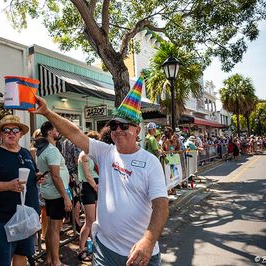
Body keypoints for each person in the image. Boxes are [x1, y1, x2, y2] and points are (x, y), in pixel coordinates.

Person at [31, 75, 169, 266]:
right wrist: (47, 112)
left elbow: (161, 206)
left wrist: (148, 240)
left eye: (124, 125)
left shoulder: (150, 162)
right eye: (114, 125)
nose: (118, 130)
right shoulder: (105, 152)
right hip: (105, 250)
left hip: (140, 253)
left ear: (137, 130)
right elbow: (74, 133)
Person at [0, 115, 42, 266]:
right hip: (3, 220)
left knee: (21, 257)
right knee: (3, 262)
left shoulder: (26, 153)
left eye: (15, 130)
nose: (11, 133)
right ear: (1, 134)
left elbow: (33, 173)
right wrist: (8, 185)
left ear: (20, 134)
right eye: (6, 130)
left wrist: (37, 177)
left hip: (26, 217)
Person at [36, 121, 72, 266]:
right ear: (50, 132)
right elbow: (56, 176)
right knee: (55, 229)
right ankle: (56, 262)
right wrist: (66, 197)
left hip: (49, 193)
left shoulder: (44, 149)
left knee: (51, 228)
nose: (59, 132)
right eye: (57, 129)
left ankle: (50, 259)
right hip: (56, 194)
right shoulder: (51, 150)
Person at [77, 131, 100, 262]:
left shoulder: (92, 155)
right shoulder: (84, 155)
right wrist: (96, 188)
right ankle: (81, 250)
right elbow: (87, 175)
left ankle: (92, 247)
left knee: (95, 220)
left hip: (95, 186)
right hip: (88, 187)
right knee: (89, 220)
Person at [30, 129, 48, 240]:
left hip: (47, 180)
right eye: (38, 135)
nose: (40, 137)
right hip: (37, 181)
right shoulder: (33, 150)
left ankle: (44, 234)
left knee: (45, 210)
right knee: (39, 209)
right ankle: (37, 234)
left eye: (42, 135)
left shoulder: (49, 148)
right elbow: (32, 167)